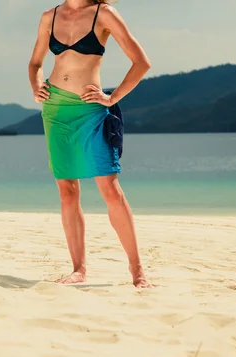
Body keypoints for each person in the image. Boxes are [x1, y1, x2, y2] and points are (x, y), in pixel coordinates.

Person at [28, 0, 153, 288]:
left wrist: (112, 98)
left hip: (90, 110)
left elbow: (141, 62)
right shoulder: (50, 16)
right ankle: (78, 269)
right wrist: (36, 86)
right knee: (67, 190)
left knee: (110, 188)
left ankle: (138, 272)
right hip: (56, 110)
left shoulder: (104, 14)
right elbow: (35, 63)